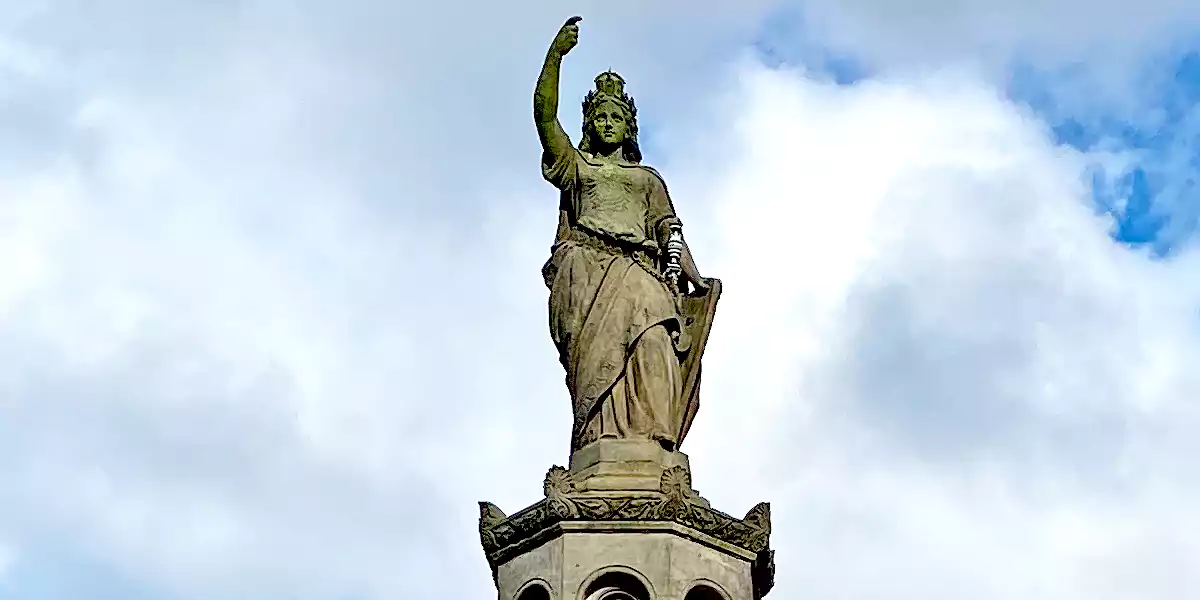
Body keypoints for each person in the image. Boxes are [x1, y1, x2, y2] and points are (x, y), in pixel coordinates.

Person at [534, 16, 717, 454]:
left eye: (616, 116)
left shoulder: (648, 181)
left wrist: (694, 278)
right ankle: (600, 440)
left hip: (641, 271)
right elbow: (544, 115)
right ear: (589, 123)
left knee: (654, 339)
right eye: (600, 116)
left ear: (628, 126)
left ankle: (649, 441)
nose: (608, 123)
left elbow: (670, 233)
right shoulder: (576, 168)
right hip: (587, 272)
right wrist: (554, 57)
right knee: (599, 365)